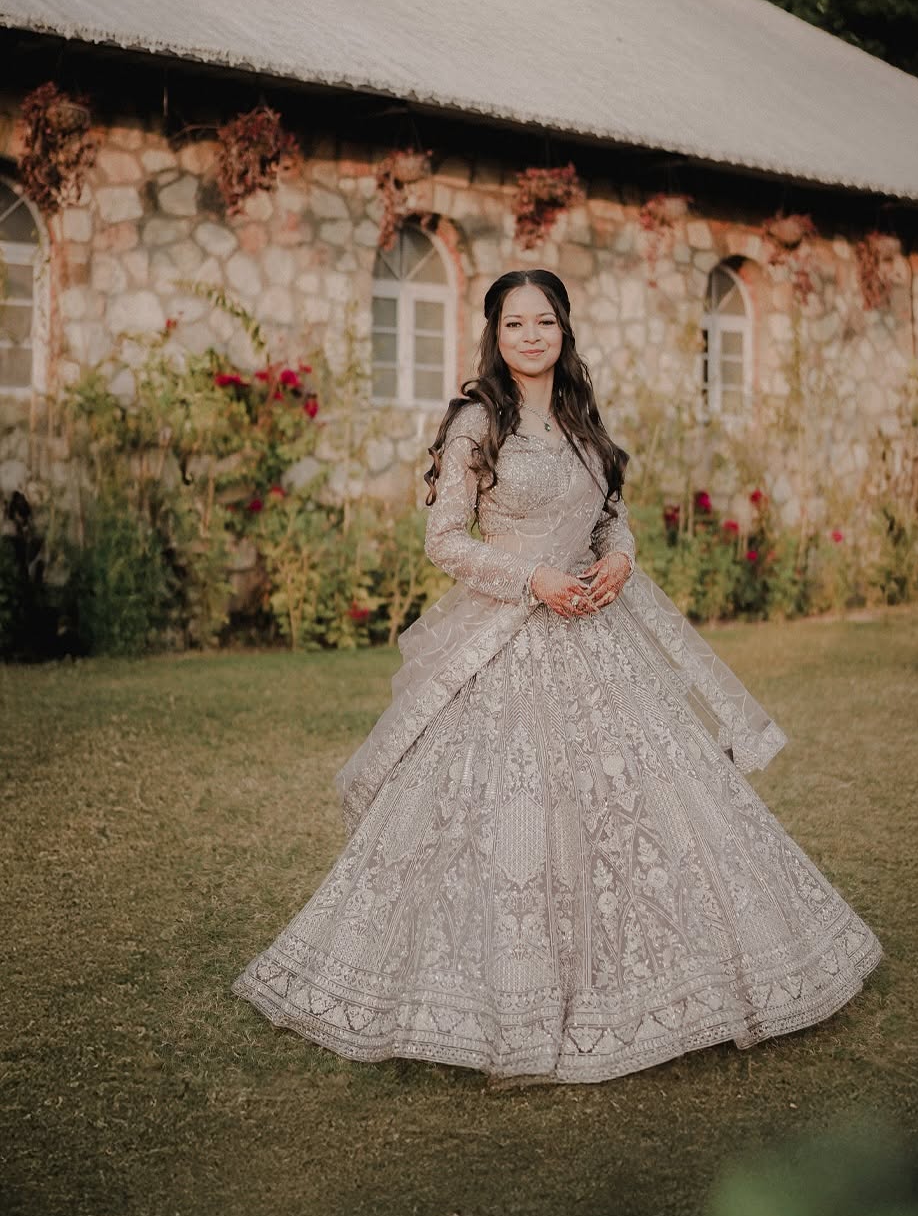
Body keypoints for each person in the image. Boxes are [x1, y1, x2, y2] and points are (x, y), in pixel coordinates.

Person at [231, 268, 883, 1086]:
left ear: (564, 330)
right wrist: (529, 578)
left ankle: (676, 978)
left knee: (646, 804)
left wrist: (619, 558)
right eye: (514, 324)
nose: (531, 337)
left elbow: (611, 518)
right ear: (495, 336)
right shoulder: (478, 420)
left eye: (545, 322)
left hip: (596, 637)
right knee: (506, 814)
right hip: (510, 638)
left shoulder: (581, 417)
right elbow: (445, 540)